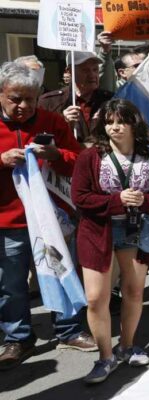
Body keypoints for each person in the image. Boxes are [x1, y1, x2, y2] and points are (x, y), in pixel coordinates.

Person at [0, 62, 96, 370]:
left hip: (52, 219)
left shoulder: (52, 121)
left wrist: (55, 155)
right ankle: (17, 338)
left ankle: (69, 329)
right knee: (11, 283)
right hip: (8, 220)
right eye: (16, 98)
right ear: (1, 94)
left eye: (30, 98)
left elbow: (79, 160)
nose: (24, 106)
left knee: (61, 270)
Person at [70, 99, 149, 383]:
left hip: (135, 231)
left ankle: (127, 346)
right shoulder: (90, 157)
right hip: (97, 232)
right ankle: (105, 357)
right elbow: (80, 197)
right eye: (109, 122)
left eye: (121, 121)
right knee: (95, 298)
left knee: (134, 291)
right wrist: (117, 200)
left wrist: (146, 200)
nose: (115, 127)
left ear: (133, 124)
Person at [39, 52, 115, 144]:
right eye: (85, 70)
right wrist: (62, 122)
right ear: (69, 71)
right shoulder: (50, 102)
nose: (92, 75)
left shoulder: (110, 100)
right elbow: (41, 139)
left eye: (95, 69)